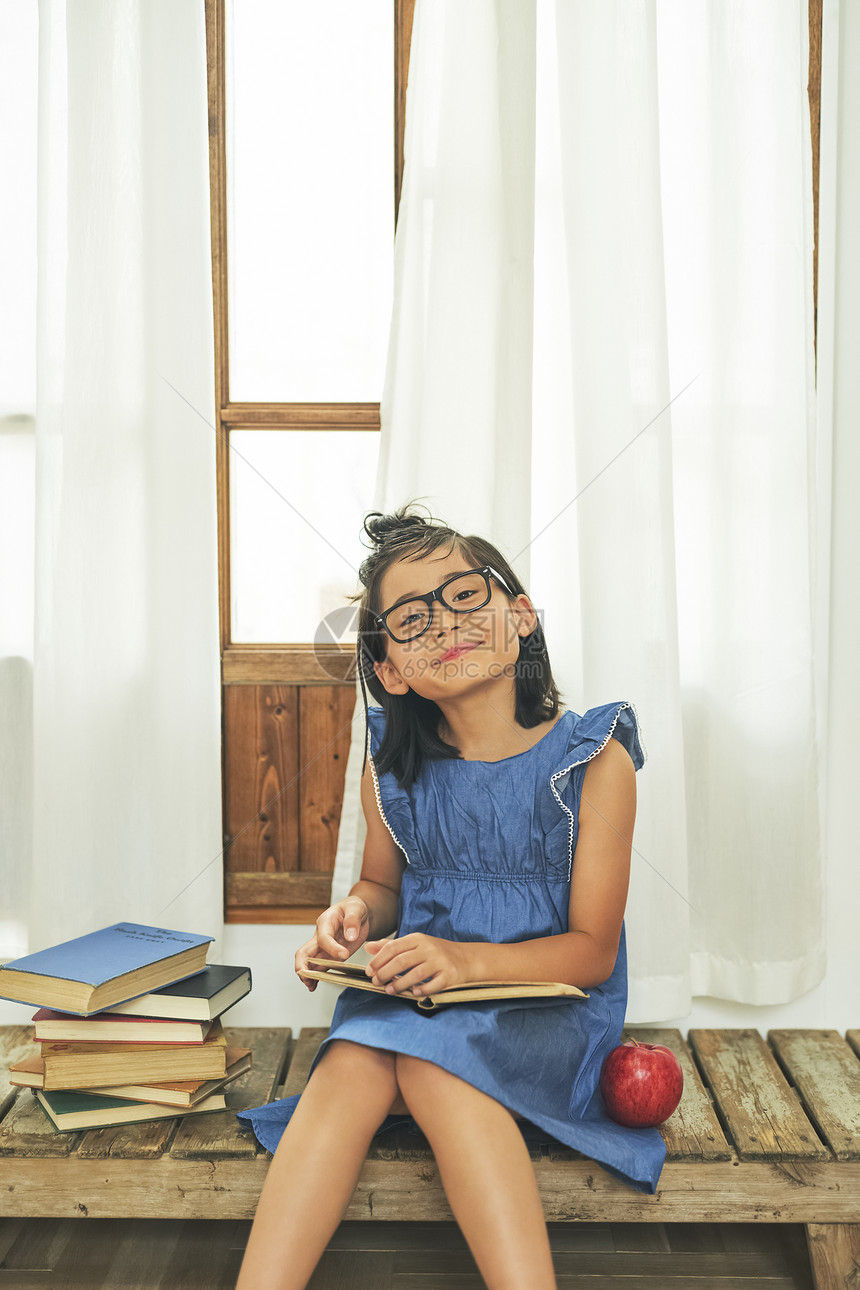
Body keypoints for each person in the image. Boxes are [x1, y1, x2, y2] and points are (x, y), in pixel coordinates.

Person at [235, 504, 666, 1290]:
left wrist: (463, 963)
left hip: (543, 1004)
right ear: (392, 671)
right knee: (355, 1055)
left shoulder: (596, 760)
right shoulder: (393, 772)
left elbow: (592, 953)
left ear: (522, 616)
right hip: (415, 995)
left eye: (464, 594)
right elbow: (382, 888)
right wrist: (355, 918)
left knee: (433, 1064)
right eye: (411, 617)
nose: (442, 622)